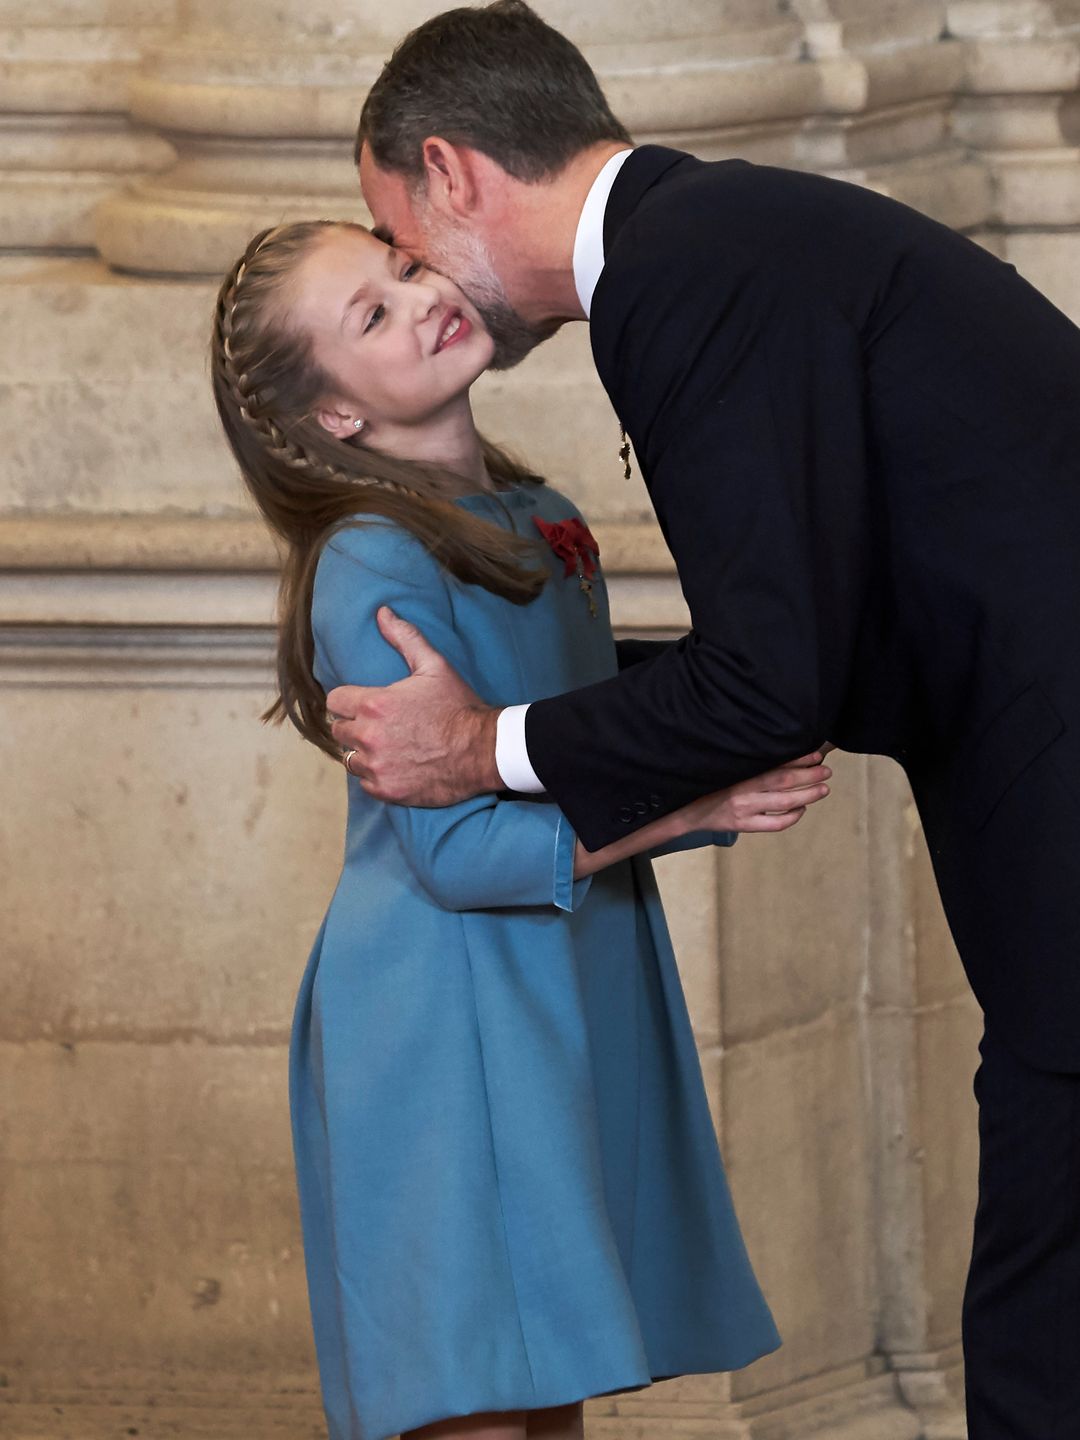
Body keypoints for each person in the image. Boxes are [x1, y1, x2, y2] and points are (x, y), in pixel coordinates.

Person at [324, 5, 1080, 1437]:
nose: (421, 285)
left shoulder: (683, 276)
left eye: (404, 242)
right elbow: (812, 621)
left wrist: (477, 747)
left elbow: (769, 678)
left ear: (452, 168)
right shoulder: (717, 237)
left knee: (1050, 1318)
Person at [209, 218, 834, 1440]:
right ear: (333, 416)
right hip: (446, 1017)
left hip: (553, 994)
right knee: (482, 1401)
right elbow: (453, 855)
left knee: (552, 1388)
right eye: (370, 317)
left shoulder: (538, 512)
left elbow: (587, 728)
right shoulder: (370, 559)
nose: (419, 297)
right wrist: (690, 809)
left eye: (401, 268)